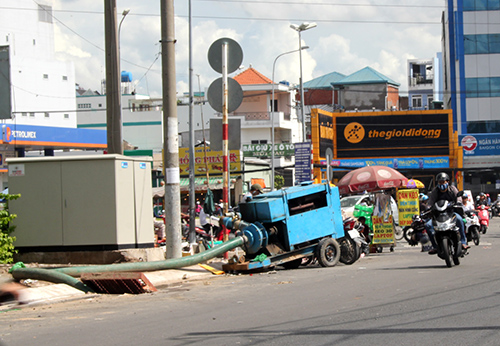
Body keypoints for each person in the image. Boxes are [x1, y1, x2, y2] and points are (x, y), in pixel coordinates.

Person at [425, 172, 469, 254]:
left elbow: (458, 197)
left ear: (447, 182)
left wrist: (458, 203)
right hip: (438, 215)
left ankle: (463, 242)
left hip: (451, 213)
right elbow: (430, 202)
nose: (441, 184)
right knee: (428, 225)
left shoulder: (452, 189)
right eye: (440, 182)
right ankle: (435, 246)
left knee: (460, 220)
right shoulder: (435, 191)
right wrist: (427, 208)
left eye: (443, 182)